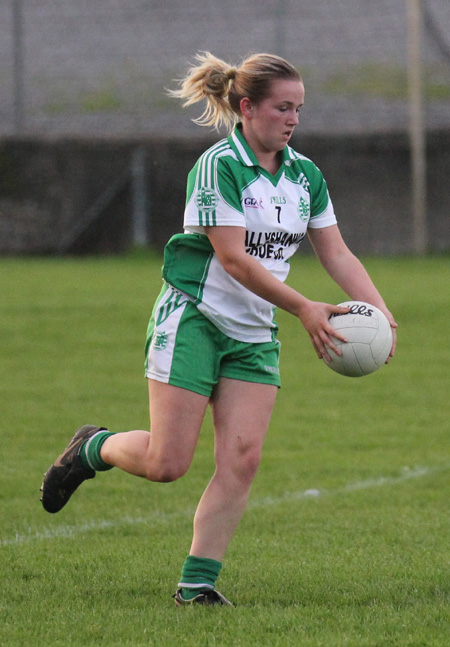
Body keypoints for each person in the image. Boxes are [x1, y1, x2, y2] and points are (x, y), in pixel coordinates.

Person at [40, 52, 397, 607]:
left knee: (243, 459)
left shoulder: (306, 176)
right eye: (283, 107)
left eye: (299, 108)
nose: (293, 119)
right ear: (247, 107)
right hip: (195, 319)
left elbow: (337, 252)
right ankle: (93, 448)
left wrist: (379, 312)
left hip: (253, 331)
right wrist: (304, 308)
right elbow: (233, 260)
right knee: (167, 463)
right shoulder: (218, 166)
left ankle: (197, 584)